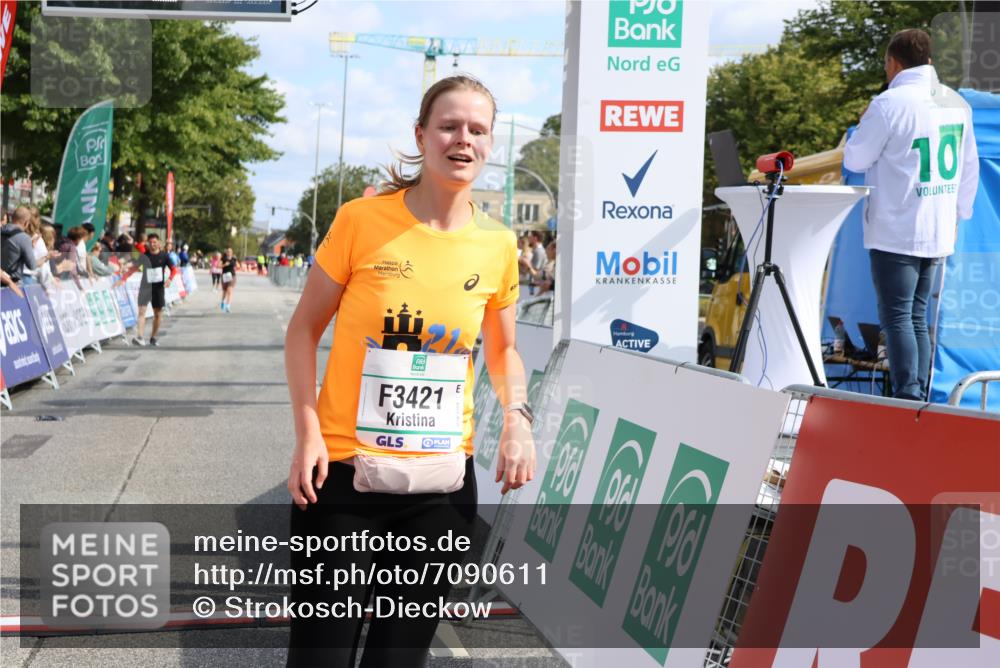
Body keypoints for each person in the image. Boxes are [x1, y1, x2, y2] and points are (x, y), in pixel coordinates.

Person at [283, 75, 535, 667]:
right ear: (421, 135)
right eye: (449, 126)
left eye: (478, 129)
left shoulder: (498, 244)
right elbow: (302, 331)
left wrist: (517, 420)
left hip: (440, 491)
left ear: (490, 143)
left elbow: (503, 351)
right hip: (341, 481)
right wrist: (308, 432)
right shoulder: (360, 220)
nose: (463, 139)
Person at [844, 28, 979, 401]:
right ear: (929, 61)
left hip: (897, 227)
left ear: (893, 63)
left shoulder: (888, 104)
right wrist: (958, 214)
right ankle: (919, 396)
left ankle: (908, 395)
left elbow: (856, 158)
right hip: (938, 227)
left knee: (898, 316)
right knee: (917, 315)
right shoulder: (957, 103)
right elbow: (969, 166)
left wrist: (861, 125)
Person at [117, 233, 176, 347]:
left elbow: (174, 269)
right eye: (150, 242)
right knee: (141, 312)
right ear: (148, 243)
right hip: (145, 287)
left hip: (158, 288)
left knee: (158, 314)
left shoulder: (164, 256)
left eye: (154, 242)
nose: (152, 244)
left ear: (159, 243)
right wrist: (124, 275)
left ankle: (153, 337)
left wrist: (169, 279)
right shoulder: (144, 256)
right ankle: (140, 337)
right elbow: (134, 267)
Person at [1, 206, 37, 284]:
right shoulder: (24, 238)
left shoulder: (1, 230)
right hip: (10, 284)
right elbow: (32, 266)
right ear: (26, 223)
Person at [219, 247, 238, 312]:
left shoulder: (234, 259)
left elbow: (237, 265)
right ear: (226, 252)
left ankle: (228, 306)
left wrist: (236, 265)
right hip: (225, 276)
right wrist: (225, 264)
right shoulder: (223, 258)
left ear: (232, 252)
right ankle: (222, 301)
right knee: (225, 291)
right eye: (228, 251)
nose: (229, 252)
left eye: (230, 251)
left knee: (229, 291)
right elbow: (218, 266)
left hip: (232, 276)